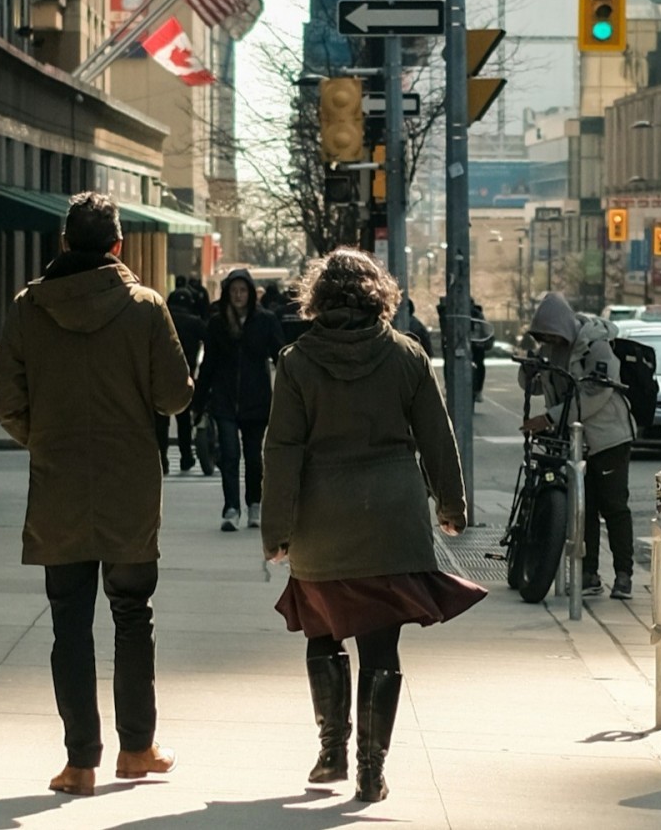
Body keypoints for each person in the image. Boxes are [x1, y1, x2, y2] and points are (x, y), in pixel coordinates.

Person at [262, 249, 482, 803]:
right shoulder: (406, 356)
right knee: (381, 649)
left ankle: (331, 751)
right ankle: (370, 770)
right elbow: (437, 435)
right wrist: (451, 505)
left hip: (321, 519)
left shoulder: (296, 362)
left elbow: (282, 450)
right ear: (376, 294)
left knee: (322, 633)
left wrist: (276, 530)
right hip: (391, 519)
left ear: (319, 299)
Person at [0, 192, 192, 797]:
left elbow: (6, 399)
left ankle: (80, 763)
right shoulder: (145, 307)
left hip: (58, 488)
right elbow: (175, 396)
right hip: (129, 485)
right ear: (118, 246)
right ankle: (137, 749)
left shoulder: (29, 308)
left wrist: (45, 440)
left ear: (62, 244)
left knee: (69, 627)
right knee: (133, 617)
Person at [521, 292, 635, 600]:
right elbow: (533, 384)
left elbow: (594, 393)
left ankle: (624, 574)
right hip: (573, 441)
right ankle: (590, 574)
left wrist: (550, 417)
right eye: (542, 335)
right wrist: (529, 366)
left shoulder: (595, 346)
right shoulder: (550, 349)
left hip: (607, 438)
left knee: (613, 506)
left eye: (550, 333)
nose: (548, 340)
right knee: (585, 509)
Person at [193, 268, 283, 531]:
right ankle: (231, 508)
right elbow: (208, 365)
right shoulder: (218, 324)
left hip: (256, 400)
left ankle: (254, 503)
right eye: (234, 291)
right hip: (224, 400)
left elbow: (280, 356)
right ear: (227, 294)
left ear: (251, 294)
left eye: (243, 291)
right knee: (229, 455)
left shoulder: (265, 321)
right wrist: (198, 402)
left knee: (254, 457)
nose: (238, 296)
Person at [159, 282, 206, 475]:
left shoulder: (161, 319)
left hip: (159, 375)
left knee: (161, 421)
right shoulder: (195, 322)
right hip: (185, 376)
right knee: (184, 420)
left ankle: (162, 458)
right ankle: (186, 456)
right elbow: (209, 343)